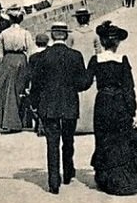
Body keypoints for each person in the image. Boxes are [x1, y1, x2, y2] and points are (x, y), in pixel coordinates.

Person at [88, 21, 137, 195]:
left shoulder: (96, 60)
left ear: (102, 41)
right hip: (120, 103)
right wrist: (132, 111)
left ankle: (105, 178)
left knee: (103, 138)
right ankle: (128, 178)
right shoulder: (122, 60)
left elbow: (84, 82)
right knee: (122, 138)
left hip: (103, 102)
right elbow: (129, 88)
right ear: (117, 43)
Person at [28, 24, 92, 193]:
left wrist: (34, 103)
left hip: (48, 106)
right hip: (69, 104)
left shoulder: (42, 56)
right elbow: (83, 83)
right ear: (66, 36)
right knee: (68, 140)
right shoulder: (75, 56)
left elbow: (36, 84)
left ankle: (53, 182)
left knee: (52, 143)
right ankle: (68, 172)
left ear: (52, 36)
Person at [0, 6, 35, 133]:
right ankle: (20, 120)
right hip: (21, 60)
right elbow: (31, 51)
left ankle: (8, 121)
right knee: (20, 91)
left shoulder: (4, 33)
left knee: (5, 92)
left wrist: (2, 67)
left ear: (10, 19)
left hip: (7, 60)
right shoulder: (25, 33)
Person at [71, 8, 99, 134]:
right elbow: (99, 53)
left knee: (77, 96)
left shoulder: (72, 34)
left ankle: (77, 125)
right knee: (90, 95)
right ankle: (90, 125)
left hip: (76, 67)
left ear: (77, 20)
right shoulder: (94, 34)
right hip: (90, 67)